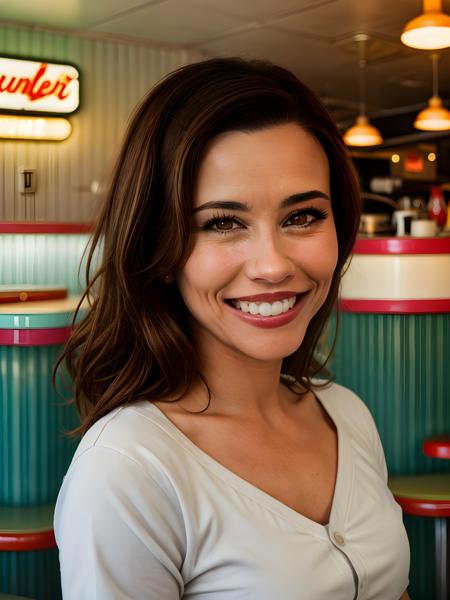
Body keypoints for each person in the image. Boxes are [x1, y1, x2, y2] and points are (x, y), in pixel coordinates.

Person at [53, 57, 411, 599]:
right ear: (161, 249)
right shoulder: (126, 471)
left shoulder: (346, 414)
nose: (273, 265)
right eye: (223, 223)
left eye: (303, 216)